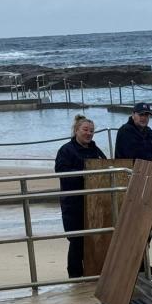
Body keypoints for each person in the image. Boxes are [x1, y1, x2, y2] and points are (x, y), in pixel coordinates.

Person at [55, 114, 107, 278]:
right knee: (77, 240)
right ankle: (75, 276)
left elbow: (106, 166)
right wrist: (83, 174)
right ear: (76, 130)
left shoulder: (96, 150)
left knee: (95, 239)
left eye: (91, 131)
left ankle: (94, 271)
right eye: (85, 130)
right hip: (74, 203)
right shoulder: (66, 150)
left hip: (94, 202)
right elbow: (61, 171)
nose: (88, 133)